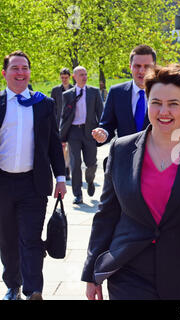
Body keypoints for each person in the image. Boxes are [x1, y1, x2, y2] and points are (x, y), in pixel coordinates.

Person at [81, 64, 180, 300]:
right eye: (156, 102)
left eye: (173, 104)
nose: (163, 111)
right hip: (128, 273)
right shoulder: (121, 149)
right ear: (147, 102)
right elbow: (106, 214)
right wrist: (92, 272)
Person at [0, 50, 67, 300]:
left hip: (33, 184)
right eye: (15, 68)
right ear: (5, 73)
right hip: (3, 183)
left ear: (30, 72)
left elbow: (53, 143)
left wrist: (60, 178)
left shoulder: (43, 104)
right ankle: (12, 286)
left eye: (24, 68)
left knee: (30, 239)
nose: (20, 73)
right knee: (7, 240)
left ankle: (33, 290)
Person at [91, 45, 156, 146]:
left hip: (155, 158)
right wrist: (103, 133)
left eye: (147, 66)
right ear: (130, 66)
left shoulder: (165, 93)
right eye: (137, 66)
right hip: (126, 157)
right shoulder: (117, 92)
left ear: (154, 67)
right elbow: (108, 125)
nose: (141, 71)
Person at [60, 66, 103, 204]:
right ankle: (78, 194)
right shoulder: (68, 95)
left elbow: (101, 113)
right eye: (81, 75)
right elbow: (64, 116)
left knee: (91, 163)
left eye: (85, 74)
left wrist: (101, 130)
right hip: (74, 132)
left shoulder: (94, 92)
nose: (84, 77)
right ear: (74, 77)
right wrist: (62, 136)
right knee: (75, 163)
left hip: (90, 131)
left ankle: (90, 180)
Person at [51, 67, 73, 180]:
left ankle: (67, 169)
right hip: (58, 122)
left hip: (71, 123)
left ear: (70, 77)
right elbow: (52, 108)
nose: (64, 79)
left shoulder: (74, 89)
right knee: (61, 147)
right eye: (62, 77)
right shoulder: (55, 90)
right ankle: (62, 168)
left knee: (68, 148)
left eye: (66, 77)